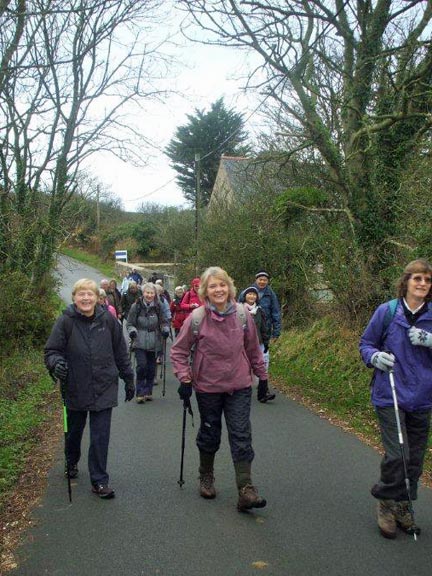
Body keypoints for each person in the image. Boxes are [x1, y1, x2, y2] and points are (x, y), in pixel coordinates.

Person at [171, 266, 268, 512]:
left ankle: (245, 488)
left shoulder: (243, 314)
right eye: (213, 286)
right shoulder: (197, 318)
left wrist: (262, 376)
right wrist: (184, 378)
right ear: (205, 291)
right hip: (208, 387)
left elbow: (253, 348)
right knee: (210, 433)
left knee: (241, 434)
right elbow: (179, 351)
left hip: (239, 385)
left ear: (230, 287)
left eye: (222, 284)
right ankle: (206, 475)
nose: (218, 290)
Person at [359, 259, 432, 539]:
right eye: (417, 279)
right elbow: (366, 344)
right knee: (397, 454)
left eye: (427, 280)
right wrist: (375, 357)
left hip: (423, 396)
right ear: (406, 282)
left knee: (414, 458)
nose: (423, 284)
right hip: (389, 393)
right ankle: (386, 504)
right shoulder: (387, 311)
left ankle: (404, 505)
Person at [44, 278, 135, 499]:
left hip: (104, 385)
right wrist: (56, 364)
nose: (86, 298)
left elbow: (120, 351)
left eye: (90, 294)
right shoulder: (66, 321)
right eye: (81, 294)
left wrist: (128, 377)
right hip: (75, 386)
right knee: (74, 432)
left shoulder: (109, 321)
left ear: (97, 297)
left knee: (100, 436)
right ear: (74, 297)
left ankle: (99, 480)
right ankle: (71, 460)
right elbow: (51, 351)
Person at [127, 282, 170, 403]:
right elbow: (130, 323)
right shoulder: (136, 306)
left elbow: (164, 321)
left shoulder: (158, 306)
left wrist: (165, 330)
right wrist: (132, 331)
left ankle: (148, 391)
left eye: (151, 293)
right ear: (143, 293)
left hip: (154, 340)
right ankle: (140, 392)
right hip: (139, 340)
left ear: (154, 294)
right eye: (147, 292)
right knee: (141, 366)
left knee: (151, 368)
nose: (149, 295)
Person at [239, 286, 275, 403]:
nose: (252, 296)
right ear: (244, 296)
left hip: (257, 343)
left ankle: (264, 391)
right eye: (249, 294)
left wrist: (266, 342)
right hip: (241, 344)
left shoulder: (260, 310)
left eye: (254, 294)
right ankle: (239, 390)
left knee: (262, 366)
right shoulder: (237, 310)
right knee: (242, 367)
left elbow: (264, 328)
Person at [251, 270, 281, 370]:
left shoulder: (271, 294)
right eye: (260, 279)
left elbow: (276, 313)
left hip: (265, 330)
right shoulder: (248, 292)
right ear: (256, 280)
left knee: (264, 354)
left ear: (267, 281)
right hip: (250, 329)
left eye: (265, 280)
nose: (262, 282)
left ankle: (263, 378)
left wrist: (276, 332)